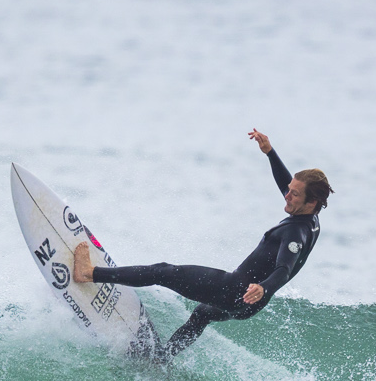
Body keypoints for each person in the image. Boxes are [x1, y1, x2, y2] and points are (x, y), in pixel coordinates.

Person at [73, 129, 332, 359]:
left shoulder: (296, 234)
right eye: (289, 189)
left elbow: (283, 269)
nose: (287, 195)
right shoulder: (309, 218)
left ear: (310, 202)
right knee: (202, 314)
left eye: (294, 194)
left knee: (163, 272)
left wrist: (263, 287)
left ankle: (89, 273)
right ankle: (163, 358)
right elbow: (288, 186)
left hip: (236, 290)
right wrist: (270, 153)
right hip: (247, 306)